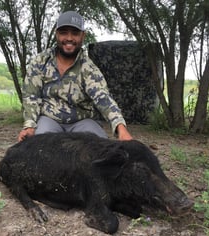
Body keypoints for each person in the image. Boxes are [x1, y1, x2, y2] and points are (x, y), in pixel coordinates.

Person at [18, 11, 133, 142]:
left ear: (83, 36)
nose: (69, 38)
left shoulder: (89, 68)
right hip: (49, 119)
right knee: (38, 144)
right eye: (64, 32)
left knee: (101, 147)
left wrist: (121, 129)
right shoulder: (40, 61)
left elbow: (103, 99)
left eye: (75, 33)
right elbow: (31, 96)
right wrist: (29, 125)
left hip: (82, 121)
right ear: (56, 34)